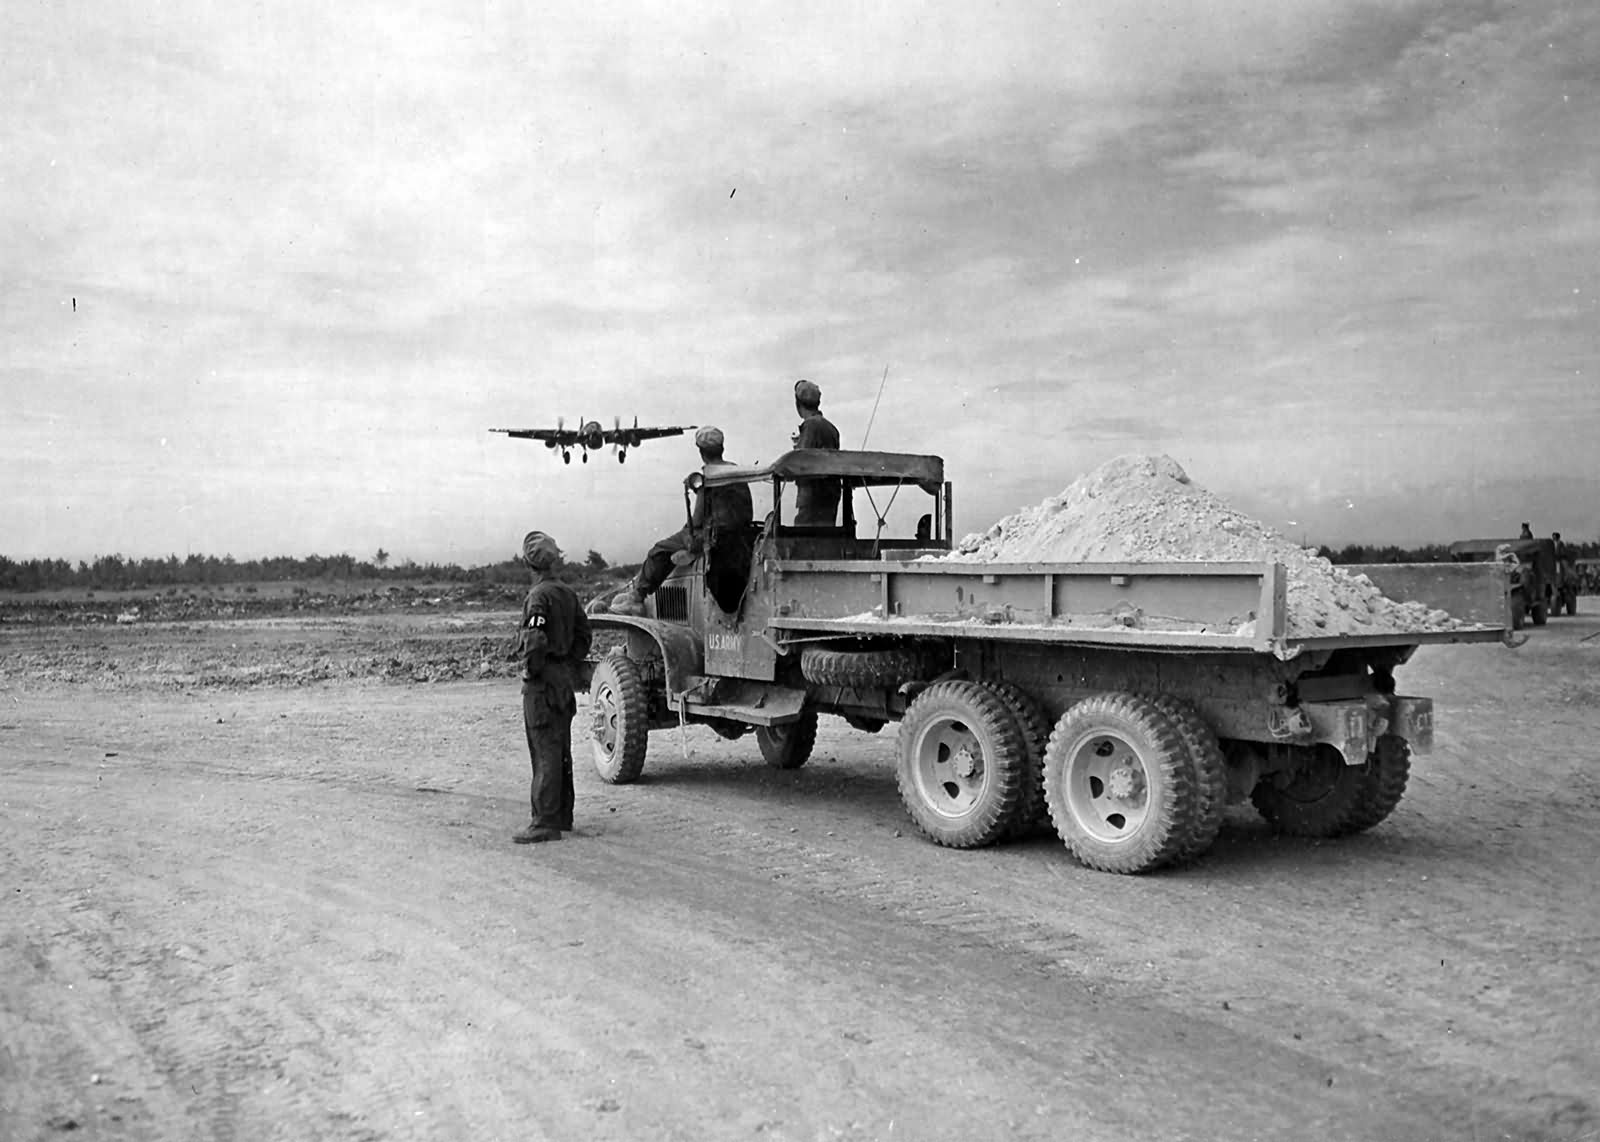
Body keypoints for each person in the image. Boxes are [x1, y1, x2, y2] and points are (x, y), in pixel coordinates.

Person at [609, 426, 754, 615]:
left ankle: (637, 597)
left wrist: (690, 524)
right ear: (722, 448)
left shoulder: (708, 475)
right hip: (740, 535)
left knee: (659, 550)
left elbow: (698, 519)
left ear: (701, 452)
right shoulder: (737, 472)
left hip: (711, 535)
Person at [510, 530, 591, 845]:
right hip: (562, 680)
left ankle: (544, 821)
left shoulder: (538, 597)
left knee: (544, 749)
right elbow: (584, 636)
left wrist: (534, 670)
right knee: (561, 750)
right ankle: (562, 815)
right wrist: (566, 664)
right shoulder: (568, 594)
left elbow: (534, 640)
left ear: (528, 564)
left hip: (542, 683)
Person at [790, 378, 841, 526]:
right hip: (830, 499)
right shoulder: (832, 429)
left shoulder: (810, 426)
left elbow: (800, 463)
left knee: (803, 536)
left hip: (812, 499)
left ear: (798, 404)